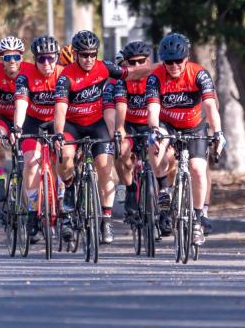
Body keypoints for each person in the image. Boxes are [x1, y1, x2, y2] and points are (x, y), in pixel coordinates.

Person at [53, 30, 155, 244]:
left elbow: (132, 74)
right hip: (73, 123)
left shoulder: (105, 67)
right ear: (76, 54)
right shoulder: (65, 76)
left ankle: (106, 220)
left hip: (97, 122)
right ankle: (70, 186)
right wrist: (59, 135)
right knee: (64, 155)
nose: (89, 59)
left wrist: (160, 67)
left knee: (104, 165)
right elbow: (61, 109)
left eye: (92, 54)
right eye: (84, 55)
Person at [145, 33, 226, 246]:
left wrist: (217, 132)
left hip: (195, 125)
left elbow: (210, 106)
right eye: (168, 61)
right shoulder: (155, 77)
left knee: (198, 169)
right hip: (167, 124)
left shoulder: (199, 74)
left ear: (186, 58)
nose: (173, 66)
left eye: (178, 61)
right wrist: (154, 129)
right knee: (155, 144)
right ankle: (164, 189)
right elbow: (153, 108)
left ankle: (198, 219)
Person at [13, 35, 63, 244]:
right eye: (41, 59)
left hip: (57, 121)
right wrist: (17, 127)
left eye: (50, 58)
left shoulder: (63, 75)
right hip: (32, 122)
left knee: (63, 159)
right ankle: (33, 213)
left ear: (57, 58)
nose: (46, 64)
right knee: (32, 162)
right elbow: (21, 105)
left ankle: (63, 202)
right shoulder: (25, 77)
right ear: (35, 59)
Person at [0, 36, 32, 202]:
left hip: (25, 117)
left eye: (16, 57)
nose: (12, 61)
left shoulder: (30, 70)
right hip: (2, 116)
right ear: (1, 59)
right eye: (7, 57)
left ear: (22, 58)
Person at [112, 41, 154, 223]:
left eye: (141, 62)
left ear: (148, 60)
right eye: (132, 63)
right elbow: (120, 108)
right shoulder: (121, 82)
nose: (137, 67)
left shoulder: (155, 78)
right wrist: (120, 129)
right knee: (120, 153)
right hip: (129, 124)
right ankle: (128, 188)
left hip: (151, 124)